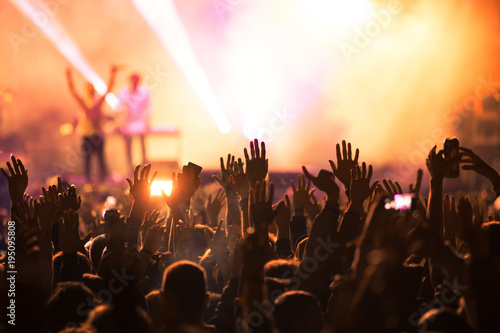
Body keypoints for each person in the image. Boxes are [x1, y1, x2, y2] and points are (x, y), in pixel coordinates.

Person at [65, 66, 118, 183]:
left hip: (98, 136)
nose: (91, 92)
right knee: (88, 162)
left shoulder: (97, 103)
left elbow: (109, 89)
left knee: (101, 161)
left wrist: (113, 74)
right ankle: (89, 183)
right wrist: (68, 77)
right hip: (88, 136)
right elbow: (73, 91)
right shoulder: (84, 103)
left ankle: (103, 182)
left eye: (92, 90)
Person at [117, 73, 151, 174]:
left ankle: (144, 168)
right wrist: (121, 121)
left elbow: (148, 108)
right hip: (128, 123)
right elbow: (119, 107)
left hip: (140, 122)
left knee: (143, 146)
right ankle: (130, 169)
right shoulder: (123, 92)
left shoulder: (145, 91)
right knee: (128, 147)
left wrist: (147, 122)